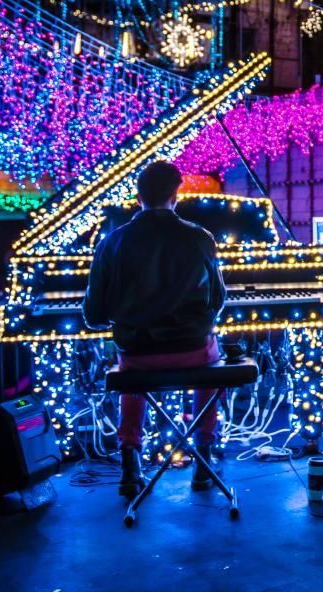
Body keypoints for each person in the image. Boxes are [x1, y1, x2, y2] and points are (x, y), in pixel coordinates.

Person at [84, 161, 226, 497]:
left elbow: (93, 315)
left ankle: (130, 460)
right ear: (176, 195)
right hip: (192, 351)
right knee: (214, 357)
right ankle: (203, 456)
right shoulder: (200, 238)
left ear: (138, 196)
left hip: (138, 353)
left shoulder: (111, 242)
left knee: (127, 370)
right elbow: (218, 301)